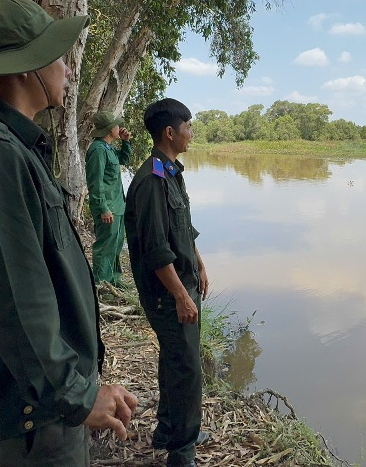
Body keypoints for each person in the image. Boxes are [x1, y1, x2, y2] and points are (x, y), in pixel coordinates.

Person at [0, 0, 138, 466]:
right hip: (30, 421)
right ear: (26, 67)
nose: (67, 69)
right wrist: (77, 395)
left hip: (42, 407)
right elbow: (15, 302)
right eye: (58, 57)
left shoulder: (11, 148)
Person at [124, 98, 210, 467]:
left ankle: (168, 429)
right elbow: (156, 249)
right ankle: (182, 449)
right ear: (170, 132)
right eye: (188, 126)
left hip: (183, 285)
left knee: (176, 361)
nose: (192, 132)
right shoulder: (151, 181)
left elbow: (183, 230)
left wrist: (200, 265)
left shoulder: (171, 172)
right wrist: (180, 296)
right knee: (187, 368)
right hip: (167, 294)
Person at [85, 111, 132, 285]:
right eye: (117, 125)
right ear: (110, 128)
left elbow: (123, 160)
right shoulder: (97, 150)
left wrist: (126, 142)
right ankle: (102, 284)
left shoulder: (108, 148)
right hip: (109, 207)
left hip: (118, 206)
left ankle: (114, 280)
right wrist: (103, 208)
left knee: (116, 245)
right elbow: (95, 183)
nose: (119, 128)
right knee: (105, 247)